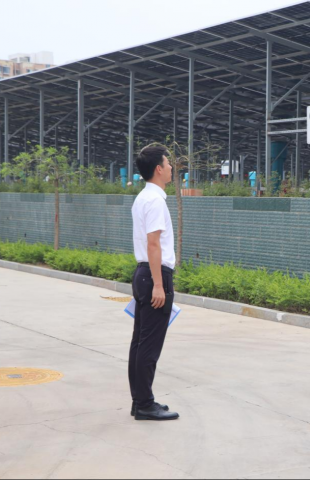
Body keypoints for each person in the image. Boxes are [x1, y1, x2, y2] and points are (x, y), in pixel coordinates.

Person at [129, 145, 179, 421]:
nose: (171, 167)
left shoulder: (142, 198)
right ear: (159, 169)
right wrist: (159, 285)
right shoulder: (156, 201)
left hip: (143, 273)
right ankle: (145, 405)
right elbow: (153, 243)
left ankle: (140, 401)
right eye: (168, 163)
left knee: (139, 342)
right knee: (149, 345)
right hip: (154, 275)